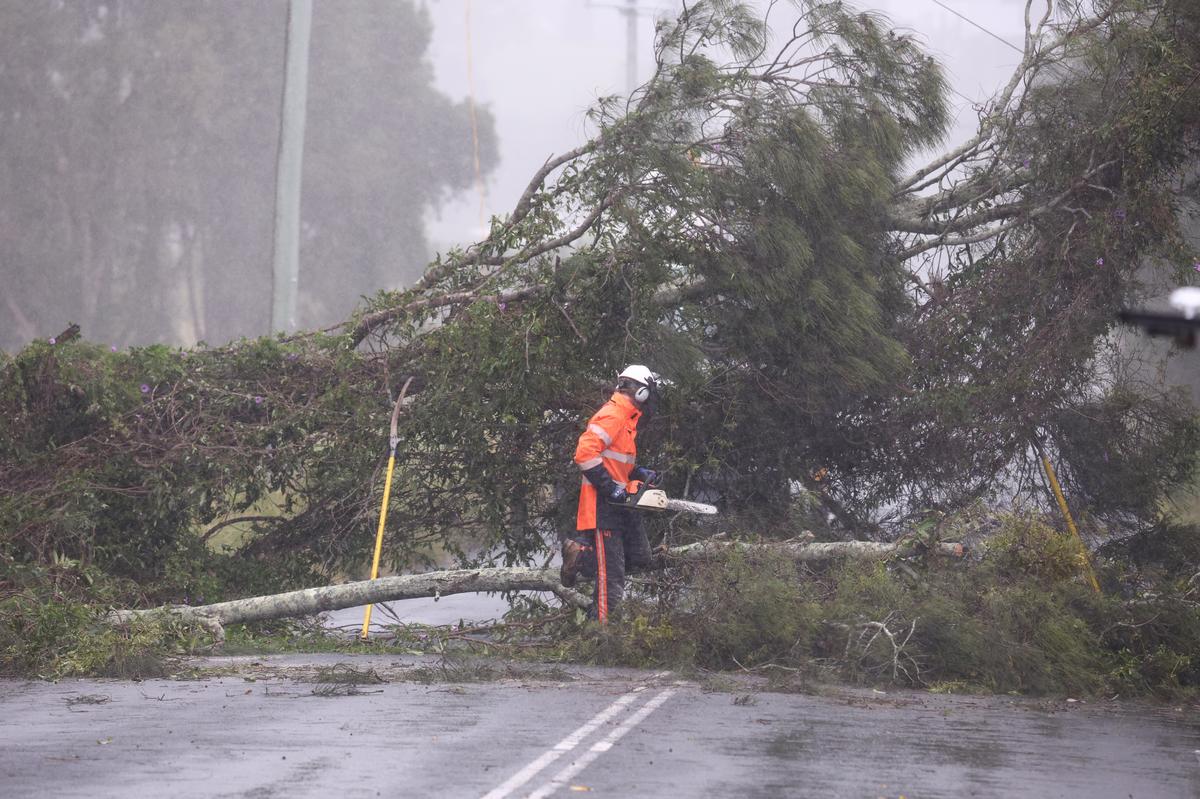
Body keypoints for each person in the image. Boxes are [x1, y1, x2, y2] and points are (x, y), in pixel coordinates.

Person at [560, 365, 664, 623]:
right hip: (602, 506)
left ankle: (587, 558)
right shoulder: (614, 415)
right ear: (640, 392)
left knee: (641, 557)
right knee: (612, 583)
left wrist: (637, 472)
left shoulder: (628, 420)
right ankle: (602, 637)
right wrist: (611, 489)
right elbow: (584, 454)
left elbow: (615, 463)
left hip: (621, 505)